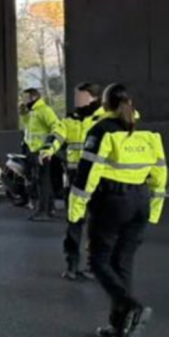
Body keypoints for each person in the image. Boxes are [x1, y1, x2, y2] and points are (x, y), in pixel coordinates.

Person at [68, 84, 167, 337]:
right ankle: (119, 326)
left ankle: (129, 304)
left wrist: (75, 210)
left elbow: (87, 173)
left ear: (105, 105)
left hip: (113, 201)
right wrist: (154, 211)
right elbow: (160, 174)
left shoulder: (101, 131)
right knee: (123, 263)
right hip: (141, 201)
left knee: (98, 261)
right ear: (130, 102)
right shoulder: (146, 133)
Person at [42, 83, 103, 280]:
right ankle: (72, 265)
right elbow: (56, 135)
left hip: (98, 179)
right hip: (75, 178)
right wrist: (48, 149)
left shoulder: (104, 118)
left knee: (97, 226)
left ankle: (94, 267)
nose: (76, 100)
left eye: (80, 96)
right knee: (74, 223)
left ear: (92, 97)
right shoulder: (70, 119)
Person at [19, 88, 61, 221]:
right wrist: (24, 115)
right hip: (33, 150)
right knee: (43, 181)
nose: (23, 100)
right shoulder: (32, 112)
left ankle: (43, 212)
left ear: (33, 98)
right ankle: (50, 208)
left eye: (25, 98)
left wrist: (48, 147)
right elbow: (30, 129)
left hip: (42, 152)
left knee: (43, 182)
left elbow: (56, 126)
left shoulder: (44, 110)